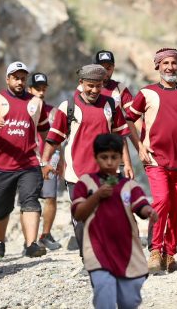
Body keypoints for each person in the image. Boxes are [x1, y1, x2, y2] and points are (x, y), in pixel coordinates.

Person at [126, 48, 177, 273]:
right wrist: (139, 146)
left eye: (174, 63)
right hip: (155, 160)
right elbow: (129, 119)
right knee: (161, 201)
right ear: (158, 66)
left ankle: (169, 253)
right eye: (166, 63)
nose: (170, 67)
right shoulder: (146, 93)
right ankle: (154, 251)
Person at [41, 64, 132, 253]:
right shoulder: (68, 107)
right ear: (81, 83)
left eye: (98, 85)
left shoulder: (111, 105)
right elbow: (53, 139)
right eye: (90, 85)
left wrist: (127, 163)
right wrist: (45, 162)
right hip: (76, 174)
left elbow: (120, 136)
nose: (94, 90)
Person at [71, 134, 158, 309]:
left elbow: (140, 205)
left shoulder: (129, 185)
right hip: (97, 250)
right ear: (96, 157)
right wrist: (96, 196)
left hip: (126, 251)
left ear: (120, 158)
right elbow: (78, 213)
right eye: (104, 157)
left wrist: (148, 211)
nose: (109, 162)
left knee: (129, 300)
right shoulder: (85, 184)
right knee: (104, 292)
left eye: (114, 157)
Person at [0, 61, 50, 259]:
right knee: (0, 209)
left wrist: (50, 157)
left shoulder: (36, 102)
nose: (19, 82)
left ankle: (31, 245)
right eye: (16, 78)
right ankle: (0, 242)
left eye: (23, 78)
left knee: (31, 201)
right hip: (1, 165)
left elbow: (45, 132)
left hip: (29, 164)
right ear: (8, 79)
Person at [29, 72, 61, 251]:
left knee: (50, 197)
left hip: (49, 159)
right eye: (37, 89)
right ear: (29, 89)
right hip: (29, 160)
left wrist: (59, 160)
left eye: (43, 89)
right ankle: (30, 240)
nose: (41, 92)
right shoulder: (25, 109)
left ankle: (45, 235)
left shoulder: (53, 112)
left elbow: (58, 137)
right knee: (29, 200)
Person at [92, 50, 141, 152]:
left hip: (113, 148)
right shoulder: (86, 89)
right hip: (90, 145)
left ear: (114, 67)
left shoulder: (120, 89)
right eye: (101, 68)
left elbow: (133, 117)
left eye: (108, 68)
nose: (105, 72)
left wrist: (141, 147)